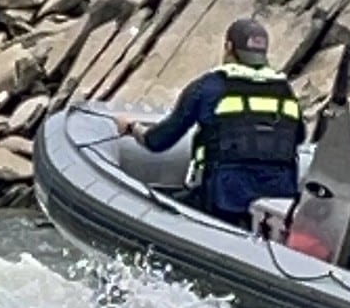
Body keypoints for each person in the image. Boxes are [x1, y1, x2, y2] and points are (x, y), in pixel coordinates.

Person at [114, 18, 304, 226]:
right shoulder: (285, 90)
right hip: (276, 206)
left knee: (160, 207)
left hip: (222, 203)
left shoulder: (208, 87)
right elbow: (299, 136)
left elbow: (158, 141)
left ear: (229, 47)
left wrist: (132, 128)